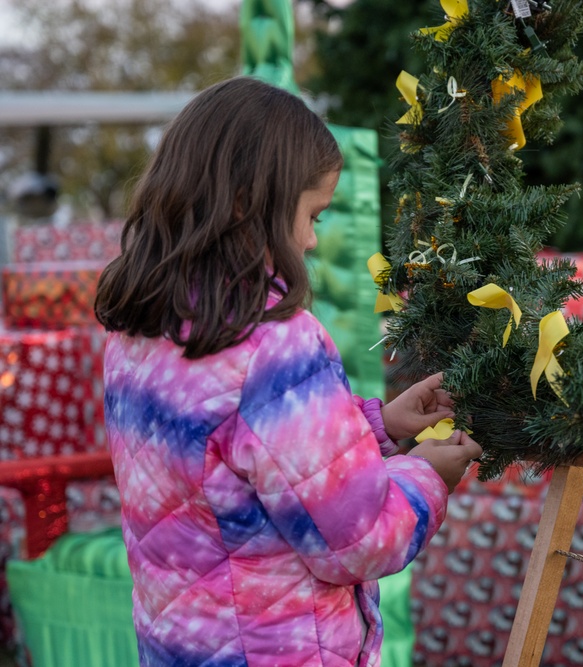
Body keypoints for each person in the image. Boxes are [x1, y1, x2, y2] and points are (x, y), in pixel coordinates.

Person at [94, 76, 482, 667]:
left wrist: (377, 425)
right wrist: (426, 476)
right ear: (252, 203)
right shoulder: (274, 342)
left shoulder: (136, 333)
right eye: (312, 215)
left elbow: (237, 467)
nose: (312, 239)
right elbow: (357, 540)